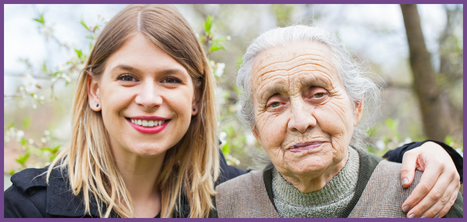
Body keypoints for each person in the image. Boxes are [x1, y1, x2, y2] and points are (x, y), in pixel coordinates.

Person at [3, 5, 462, 218]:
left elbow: (337, 172)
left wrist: (432, 153)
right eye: (127, 78)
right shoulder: (28, 207)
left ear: (198, 98)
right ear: (94, 91)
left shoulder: (220, 196)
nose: (148, 97)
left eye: (170, 79)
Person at [213, 25, 463, 218]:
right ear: (256, 130)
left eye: (318, 95)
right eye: (275, 104)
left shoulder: (428, 195)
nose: (301, 122)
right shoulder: (221, 207)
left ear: (356, 106)